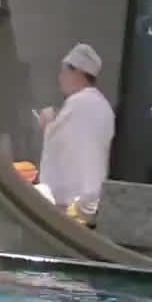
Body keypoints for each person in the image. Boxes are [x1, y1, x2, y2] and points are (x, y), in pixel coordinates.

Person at [34, 42, 116, 213]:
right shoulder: (104, 106)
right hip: (93, 198)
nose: (60, 78)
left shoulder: (78, 103)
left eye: (63, 71)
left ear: (76, 72)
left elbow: (59, 142)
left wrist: (48, 124)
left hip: (71, 201)